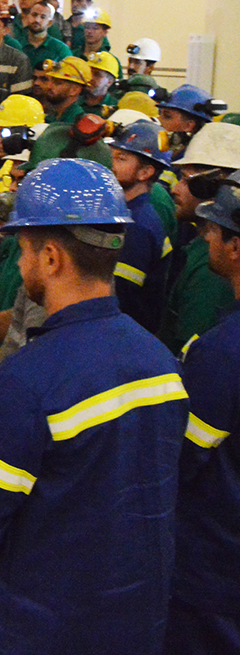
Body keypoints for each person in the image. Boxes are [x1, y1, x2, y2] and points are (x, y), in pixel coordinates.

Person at [0, 158, 187, 655]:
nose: (20, 265)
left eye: (23, 252)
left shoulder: (29, 378)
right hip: (140, 612)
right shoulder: (161, 362)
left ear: (52, 258)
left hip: (48, 617)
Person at [168, 176, 240, 653]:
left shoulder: (223, 353)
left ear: (235, 247)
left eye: (214, 231)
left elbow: (184, 460)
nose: (206, 237)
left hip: (216, 558)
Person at [162, 123, 240, 352]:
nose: (176, 189)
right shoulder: (199, 246)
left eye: (188, 180)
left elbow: (191, 349)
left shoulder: (214, 264)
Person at [108, 120, 173, 332]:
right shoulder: (131, 214)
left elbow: (120, 298)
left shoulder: (138, 226)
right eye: (112, 156)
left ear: (145, 173)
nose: (111, 164)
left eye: (121, 158)